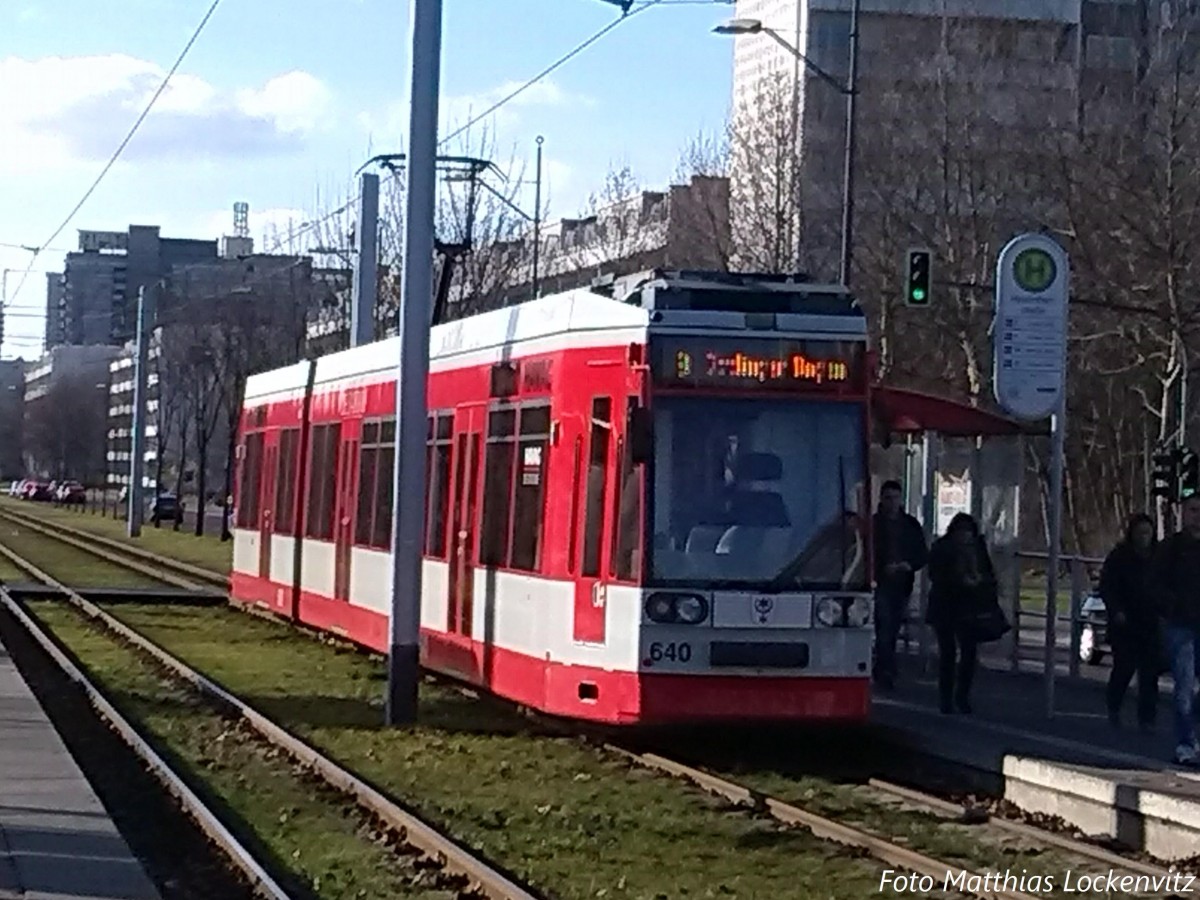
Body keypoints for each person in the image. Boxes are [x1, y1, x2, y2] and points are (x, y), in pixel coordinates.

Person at [926, 512, 997, 714]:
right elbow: (935, 574)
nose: (965, 536)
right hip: (946, 606)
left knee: (968, 654)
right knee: (948, 653)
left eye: (968, 532)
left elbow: (989, 575)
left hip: (969, 607)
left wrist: (979, 583)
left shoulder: (977, 549)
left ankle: (962, 696)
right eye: (961, 532)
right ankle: (947, 698)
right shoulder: (943, 548)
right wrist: (959, 581)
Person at [1148, 494, 1200, 767]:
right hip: (1181, 624)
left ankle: (1191, 738)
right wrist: (1172, 605)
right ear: (1183, 513)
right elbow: (1154, 583)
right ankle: (1185, 743)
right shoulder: (1171, 548)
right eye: (1193, 510)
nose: (1197, 516)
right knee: (1185, 686)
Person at [1099, 514, 1160, 731]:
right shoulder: (1120, 557)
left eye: (1148, 532)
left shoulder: (1158, 556)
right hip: (1125, 623)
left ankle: (1147, 718)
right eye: (1140, 532)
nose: (1144, 537)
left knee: (1149, 673)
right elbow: (1107, 586)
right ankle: (1114, 707)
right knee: (1124, 667)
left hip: (1151, 622)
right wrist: (1116, 610)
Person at [871, 480, 929, 689]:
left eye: (895, 498)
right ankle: (886, 669)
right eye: (888, 498)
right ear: (881, 499)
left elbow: (922, 554)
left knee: (892, 628)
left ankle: (883, 665)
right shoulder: (874, 524)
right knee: (885, 626)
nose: (892, 502)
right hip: (880, 583)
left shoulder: (910, 525)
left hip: (902, 584)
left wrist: (907, 565)